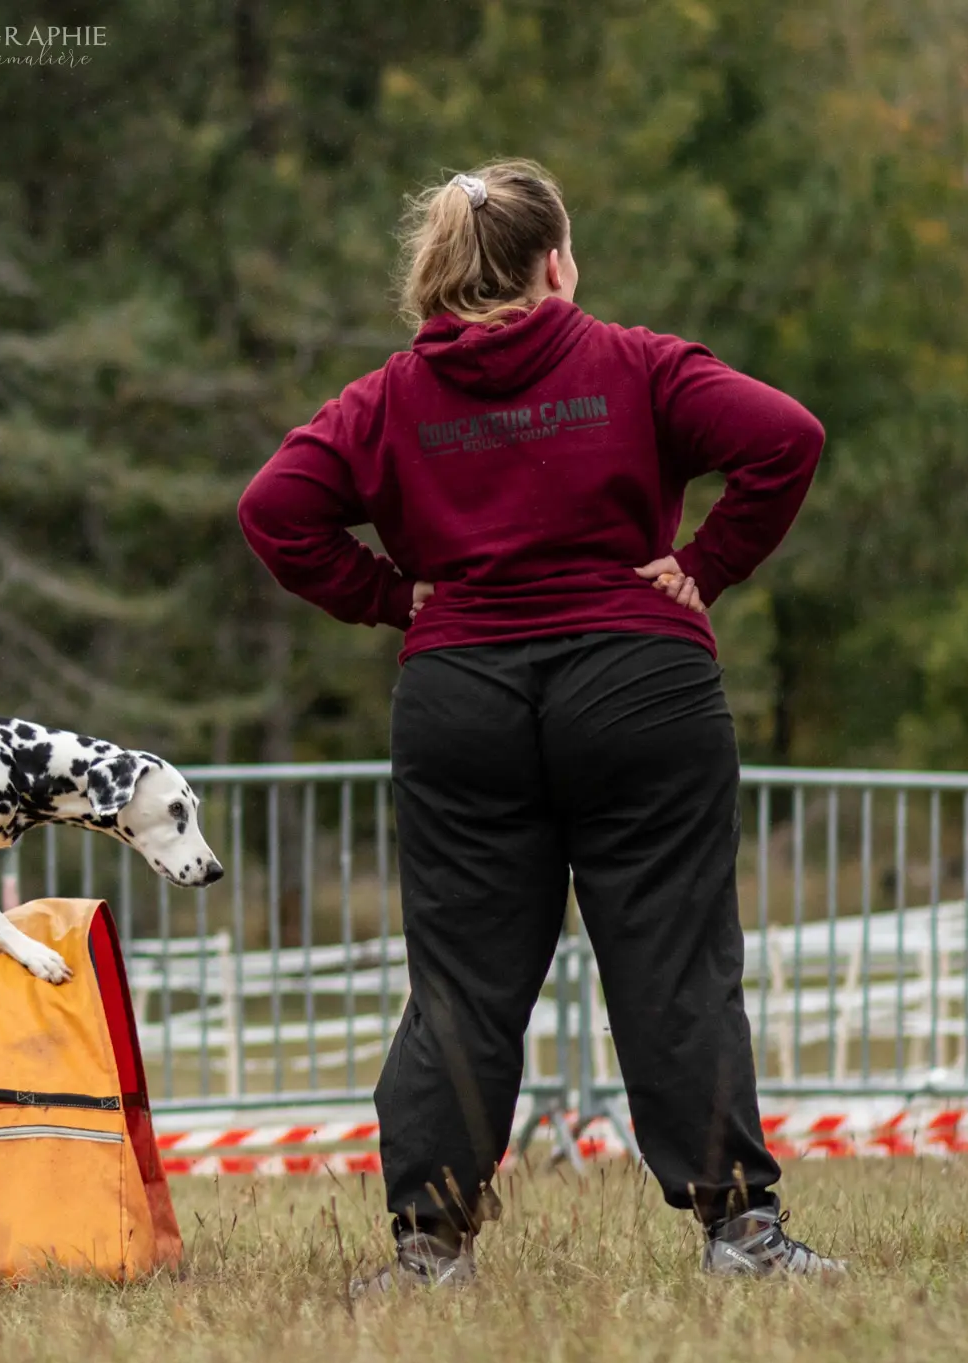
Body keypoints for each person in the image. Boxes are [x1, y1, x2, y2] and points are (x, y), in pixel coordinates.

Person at [237, 159, 841, 1286]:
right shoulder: (636, 363)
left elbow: (271, 510)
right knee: (670, 963)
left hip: (461, 698)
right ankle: (739, 1236)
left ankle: (428, 1251)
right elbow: (785, 437)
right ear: (554, 262)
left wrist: (385, 597)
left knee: (461, 981)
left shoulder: (383, 402)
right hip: (638, 688)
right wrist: (705, 565)